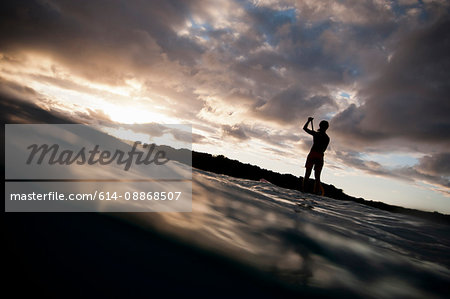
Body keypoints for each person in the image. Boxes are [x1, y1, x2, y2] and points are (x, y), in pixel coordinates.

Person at [302, 117, 330, 195]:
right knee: (317, 177)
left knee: (307, 174)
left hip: (313, 154)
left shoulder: (316, 134)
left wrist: (308, 121)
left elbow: (304, 128)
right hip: (320, 156)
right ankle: (316, 193)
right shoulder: (327, 138)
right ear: (327, 128)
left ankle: (304, 191)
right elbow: (324, 149)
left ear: (320, 126)